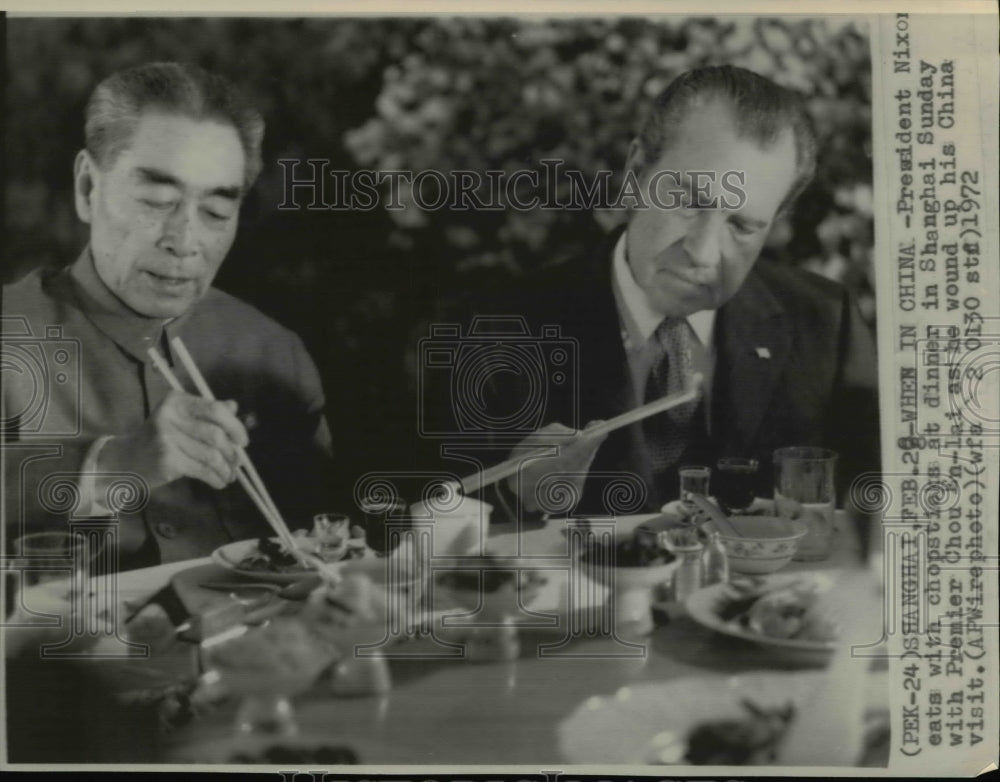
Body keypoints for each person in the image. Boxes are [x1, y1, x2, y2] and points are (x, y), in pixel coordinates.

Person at [434, 65, 879, 518]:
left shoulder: (826, 323)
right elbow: (408, 533)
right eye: (688, 202)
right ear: (635, 172)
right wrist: (512, 498)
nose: (703, 254)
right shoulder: (490, 330)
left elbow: (880, 525)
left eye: (743, 226)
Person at [3, 62, 334, 569]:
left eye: (216, 213)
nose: (184, 241)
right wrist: (112, 467)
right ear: (88, 187)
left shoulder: (274, 354)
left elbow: (328, 541)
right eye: (157, 200)